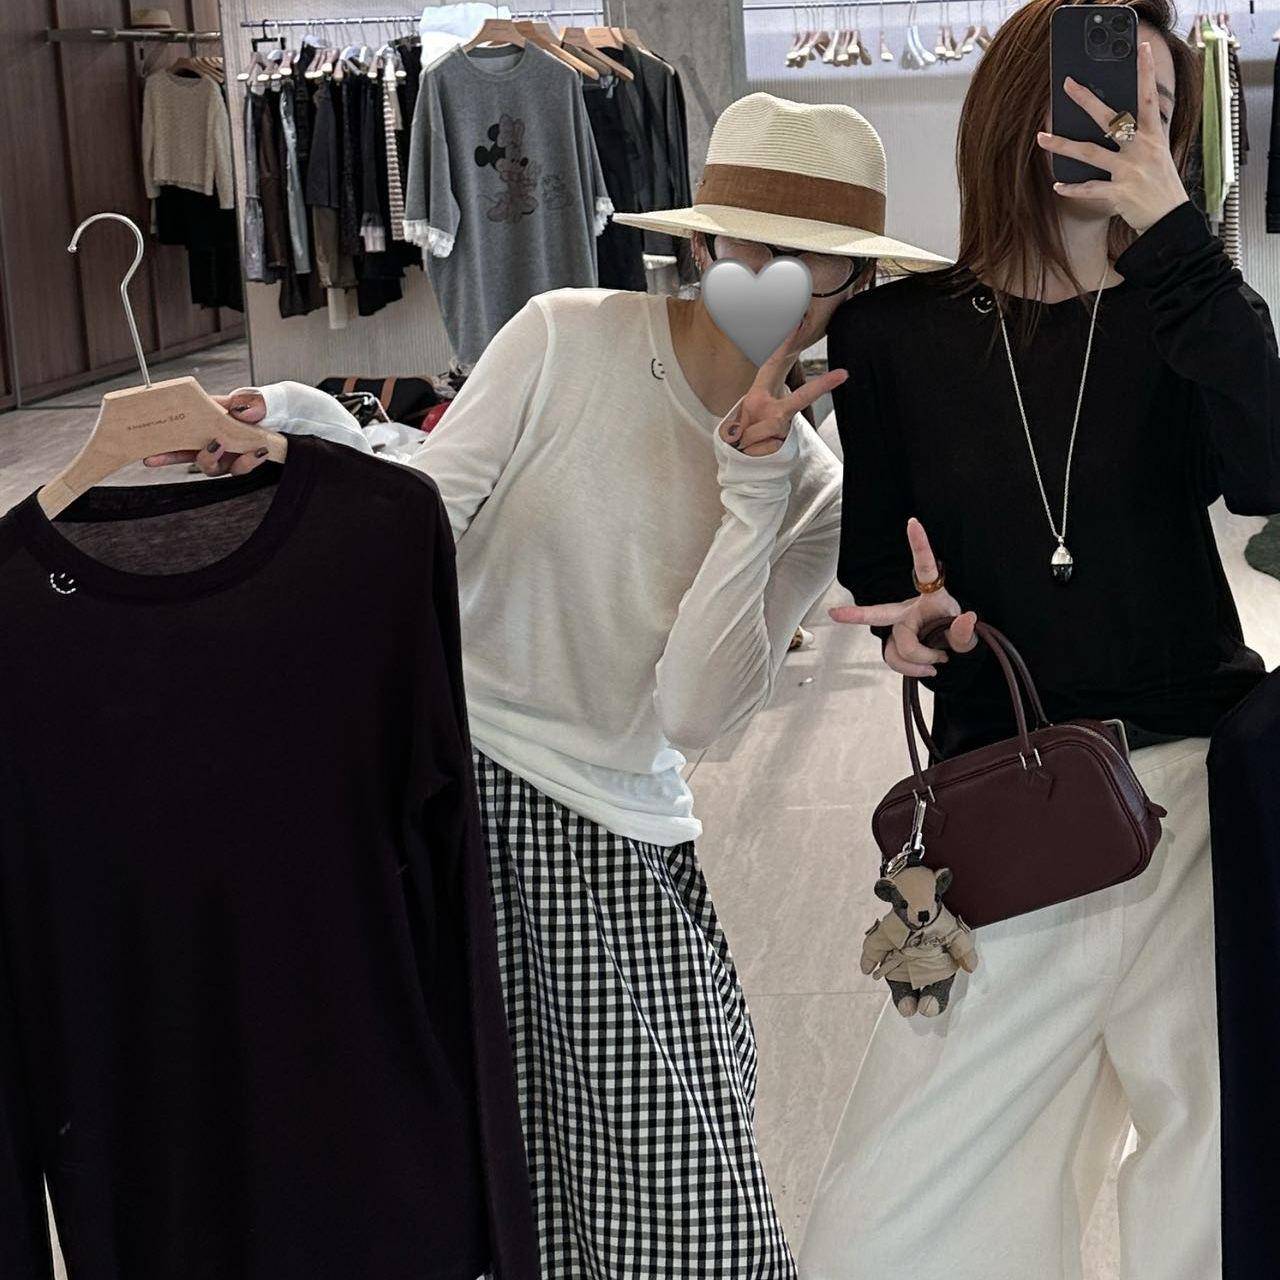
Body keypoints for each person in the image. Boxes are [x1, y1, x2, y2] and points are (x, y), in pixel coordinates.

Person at [147, 94, 946, 1278]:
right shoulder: (564, 333)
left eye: (815, 262)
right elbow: (419, 519)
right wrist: (309, 427)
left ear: (854, 285)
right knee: (451, 1169)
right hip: (442, 788)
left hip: (615, 837)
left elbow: (693, 711)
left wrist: (753, 485)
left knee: (684, 1208)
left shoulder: (815, 490)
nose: (778, 281)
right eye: (751, 243)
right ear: (701, 243)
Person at [801, 2, 1280, 1278]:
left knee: (1215, 1190)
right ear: (1026, 105)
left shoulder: (1184, 318)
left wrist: (1179, 244)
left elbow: (1269, 473)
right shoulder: (890, 335)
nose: (1135, 131)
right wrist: (912, 627)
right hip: (1012, 809)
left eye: (1161, 116)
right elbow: (878, 569)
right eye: (1108, 100)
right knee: (891, 1221)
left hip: (1196, 799)